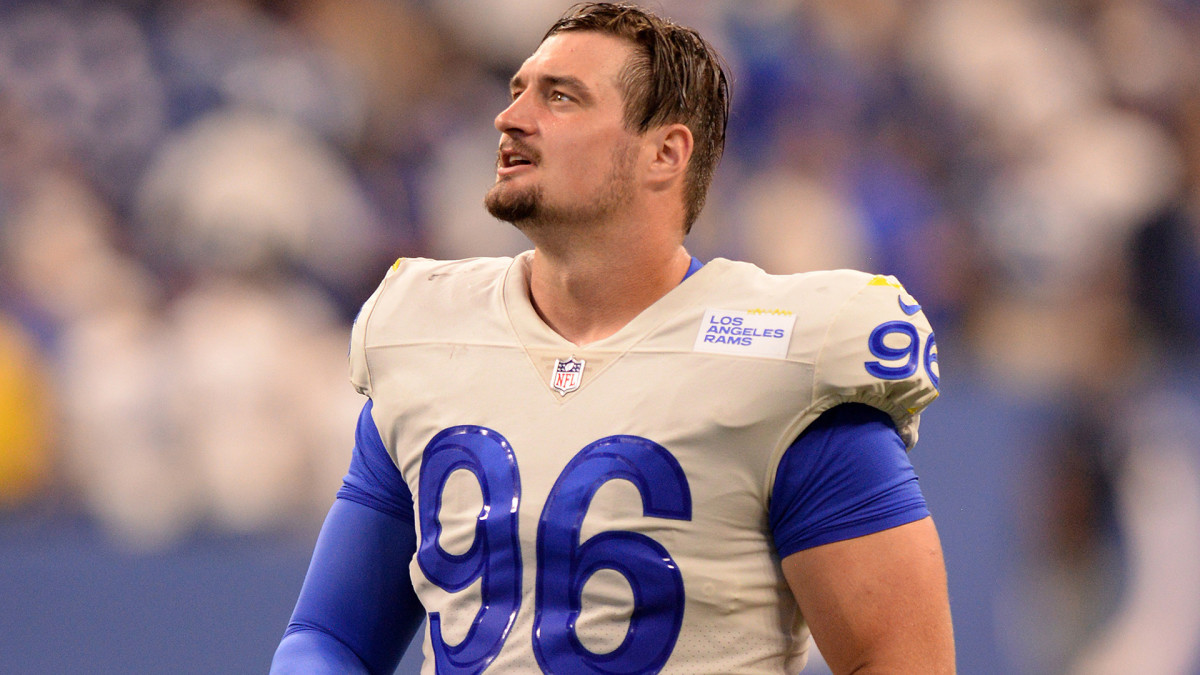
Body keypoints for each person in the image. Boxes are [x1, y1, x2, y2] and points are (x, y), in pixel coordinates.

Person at [271, 3, 955, 673]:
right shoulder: (428, 333)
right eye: (517, 92)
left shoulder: (787, 361)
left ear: (664, 152)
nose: (511, 117)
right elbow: (330, 636)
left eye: (561, 97)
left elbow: (899, 658)